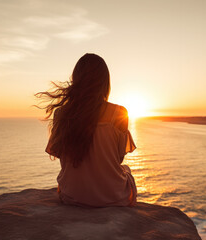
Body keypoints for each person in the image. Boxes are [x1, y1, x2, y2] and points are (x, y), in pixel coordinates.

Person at [36, 53, 137, 207]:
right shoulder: (119, 113)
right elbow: (118, 159)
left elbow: (58, 154)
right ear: (105, 82)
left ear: (76, 80)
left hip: (72, 197)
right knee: (126, 170)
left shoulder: (62, 114)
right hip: (113, 198)